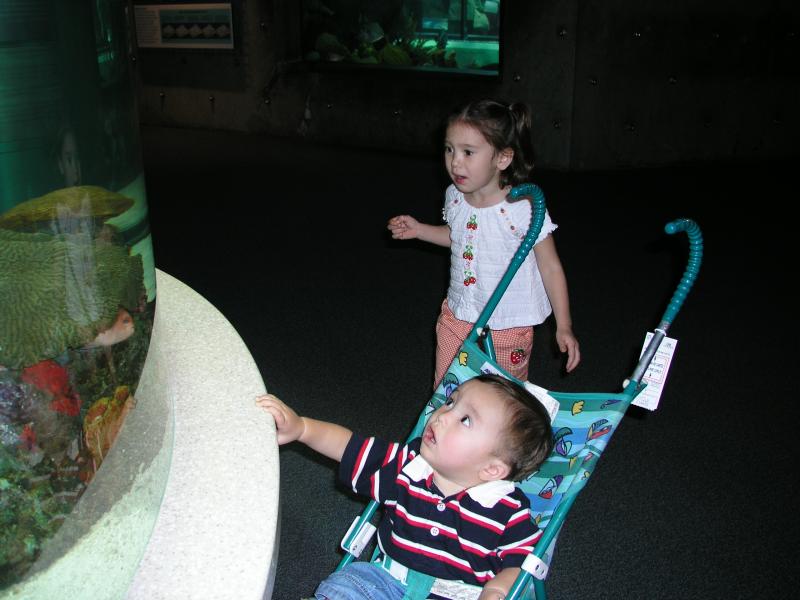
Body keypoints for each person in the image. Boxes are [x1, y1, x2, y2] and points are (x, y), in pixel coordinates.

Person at [257, 373, 554, 600]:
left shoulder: (507, 510)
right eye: (451, 402)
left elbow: (522, 560)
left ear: (492, 468)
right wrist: (304, 428)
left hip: (456, 594)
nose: (442, 415)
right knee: (344, 587)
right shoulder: (407, 465)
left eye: (465, 420)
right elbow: (349, 446)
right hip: (384, 581)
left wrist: (497, 591)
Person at [387, 98, 580, 388]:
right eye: (449, 149)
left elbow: (550, 266)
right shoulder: (454, 195)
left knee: (501, 399)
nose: (455, 162)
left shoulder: (523, 207)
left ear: (502, 158)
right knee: (448, 389)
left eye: (468, 152)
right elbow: (461, 239)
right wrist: (420, 230)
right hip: (459, 315)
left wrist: (563, 324)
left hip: (506, 324)